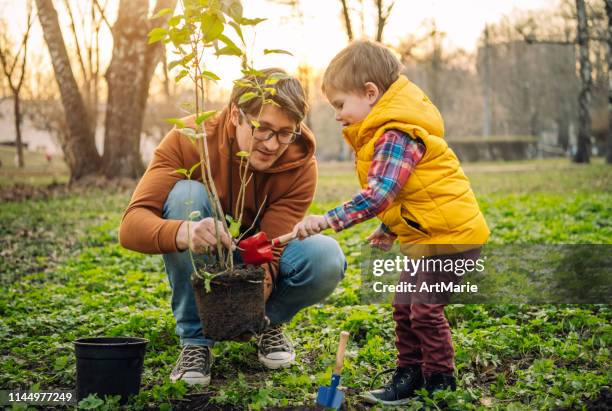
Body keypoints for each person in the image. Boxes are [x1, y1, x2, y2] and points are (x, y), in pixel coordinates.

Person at [119, 68, 346, 386]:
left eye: (285, 132)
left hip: (255, 260)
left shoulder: (299, 162)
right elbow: (130, 226)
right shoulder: (190, 139)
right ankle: (197, 340)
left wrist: (248, 314)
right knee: (187, 194)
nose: (272, 144)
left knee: (326, 256)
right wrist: (185, 232)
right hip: (205, 255)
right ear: (236, 115)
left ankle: (266, 324)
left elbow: (272, 247)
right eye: (263, 129)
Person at [292, 41, 490, 405]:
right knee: (404, 305)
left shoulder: (396, 134)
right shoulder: (382, 134)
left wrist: (327, 220)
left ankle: (440, 381)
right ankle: (410, 373)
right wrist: (388, 228)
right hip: (428, 237)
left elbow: (380, 194)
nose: (337, 114)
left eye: (340, 104)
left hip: (453, 239)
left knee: (425, 309)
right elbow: (407, 193)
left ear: (370, 93)